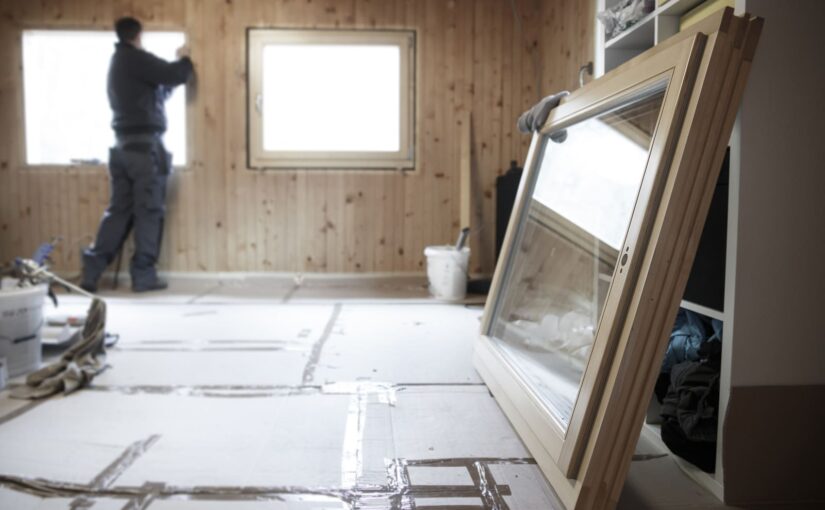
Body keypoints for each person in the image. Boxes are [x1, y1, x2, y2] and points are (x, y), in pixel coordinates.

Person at [81, 17, 193, 293]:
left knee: (118, 211)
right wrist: (185, 59)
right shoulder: (135, 58)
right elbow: (175, 74)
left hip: (121, 148)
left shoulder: (118, 64)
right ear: (138, 35)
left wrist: (168, 85)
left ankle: (92, 271)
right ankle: (143, 276)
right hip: (144, 151)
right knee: (149, 211)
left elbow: (156, 92)